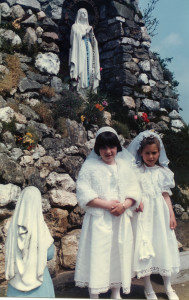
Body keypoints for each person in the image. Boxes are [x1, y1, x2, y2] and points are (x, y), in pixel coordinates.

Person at [74, 126, 141, 299]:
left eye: (111, 146)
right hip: (99, 219)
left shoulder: (125, 166)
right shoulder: (90, 167)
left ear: (117, 147)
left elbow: (135, 190)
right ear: (98, 149)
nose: (108, 151)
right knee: (98, 254)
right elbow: (83, 192)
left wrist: (124, 205)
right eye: (103, 147)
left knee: (118, 253)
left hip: (120, 219)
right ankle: (95, 292)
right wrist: (106, 205)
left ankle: (116, 291)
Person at [127, 130, 180, 300]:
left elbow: (165, 195)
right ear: (140, 153)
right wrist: (136, 201)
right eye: (147, 153)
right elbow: (132, 192)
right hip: (143, 215)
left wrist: (171, 214)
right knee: (145, 248)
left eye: (154, 153)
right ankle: (148, 287)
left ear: (159, 152)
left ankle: (168, 286)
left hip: (160, 214)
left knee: (162, 245)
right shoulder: (136, 171)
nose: (151, 156)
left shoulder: (162, 172)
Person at [5, 186, 55, 298]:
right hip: (40, 286)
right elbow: (49, 254)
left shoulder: (12, 229)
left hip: (15, 286)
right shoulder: (40, 228)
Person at [69, 8, 101, 93]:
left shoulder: (89, 27)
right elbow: (73, 40)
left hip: (89, 50)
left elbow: (94, 43)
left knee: (90, 69)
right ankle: (80, 91)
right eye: (82, 13)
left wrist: (91, 35)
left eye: (85, 13)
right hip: (80, 50)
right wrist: (85, 33)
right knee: (82, 69)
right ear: (78, 15)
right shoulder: (75, 26)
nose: (84, 14)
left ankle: (90, 92)